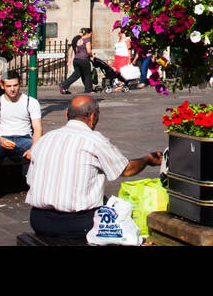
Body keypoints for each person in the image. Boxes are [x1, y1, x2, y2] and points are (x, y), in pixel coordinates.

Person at [25, 94, 162, 238]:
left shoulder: (45, 139)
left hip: (39, 220)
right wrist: (147, 159)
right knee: (122, 215)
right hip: (77, 223)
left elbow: (30, 179)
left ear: (66, 115)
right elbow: (127, 170)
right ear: (92, 117)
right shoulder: (94, 140)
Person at [0, 71, 43, 209]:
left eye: (15, 85)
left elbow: (37, 129)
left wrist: (33, 148)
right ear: (2, 86)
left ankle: (39, 190)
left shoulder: (31, 102)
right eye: (8, 86)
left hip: (24, 138)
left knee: (42, 151)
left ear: (20, 84)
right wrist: (0, 140)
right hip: (1, 138)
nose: (12, 89)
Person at [61, 28, 94, 94]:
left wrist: (70, 59)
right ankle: (89, 90)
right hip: (84, 60)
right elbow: (88, 51)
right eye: (90, 34)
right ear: (87, 34)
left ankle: (64, 85)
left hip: (76, 59)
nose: (91, 35)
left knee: (76, 74)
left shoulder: (78, 40)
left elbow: (74, 49)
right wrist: (92, 55)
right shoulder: (87, 40)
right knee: (87, 75)